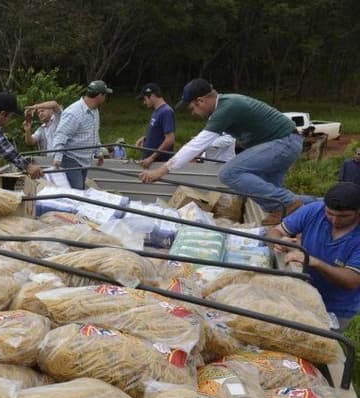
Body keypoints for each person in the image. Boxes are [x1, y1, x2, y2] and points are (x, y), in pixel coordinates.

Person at [139, 78, 304, 225]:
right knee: (272, 197)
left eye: (192, 109)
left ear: (201, 101)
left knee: (228, 173)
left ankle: (288, 204)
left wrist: (161, 171)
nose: (194, 114)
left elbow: (197, 144)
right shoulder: (226, 105)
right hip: (283, 143)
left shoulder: (227, 107)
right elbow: (204, 144)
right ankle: (313, 206)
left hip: (283, 143)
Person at [267, 182, 360, 332]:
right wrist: (279, 241)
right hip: (298, 294)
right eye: (330, 214)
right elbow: (275, 232)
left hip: (334, 308)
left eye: (343, 216)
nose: (335, 221)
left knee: (318, 347)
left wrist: (314, 262)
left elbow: (351, 280)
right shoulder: (314, 210)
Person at [51, 80, 112, 190]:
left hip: (84, 159)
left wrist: (98, 152)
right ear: (99, 95)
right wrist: (57, 158)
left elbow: (94, 133)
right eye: (105, 95)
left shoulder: (95, 111)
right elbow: (60, 135)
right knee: (77, 192)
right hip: (71, 158)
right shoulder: (73, 112)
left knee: (80, 190)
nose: (106, 97)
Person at [135, 83, 175, 168]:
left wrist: (151, 158)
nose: (144, 102)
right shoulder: (157, 111)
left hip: (158, 164)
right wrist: (145, 139)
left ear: (152, 96)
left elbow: (170, 139)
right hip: (150, 162)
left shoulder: (166, 112)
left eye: (145, 98)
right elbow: (159, 132)